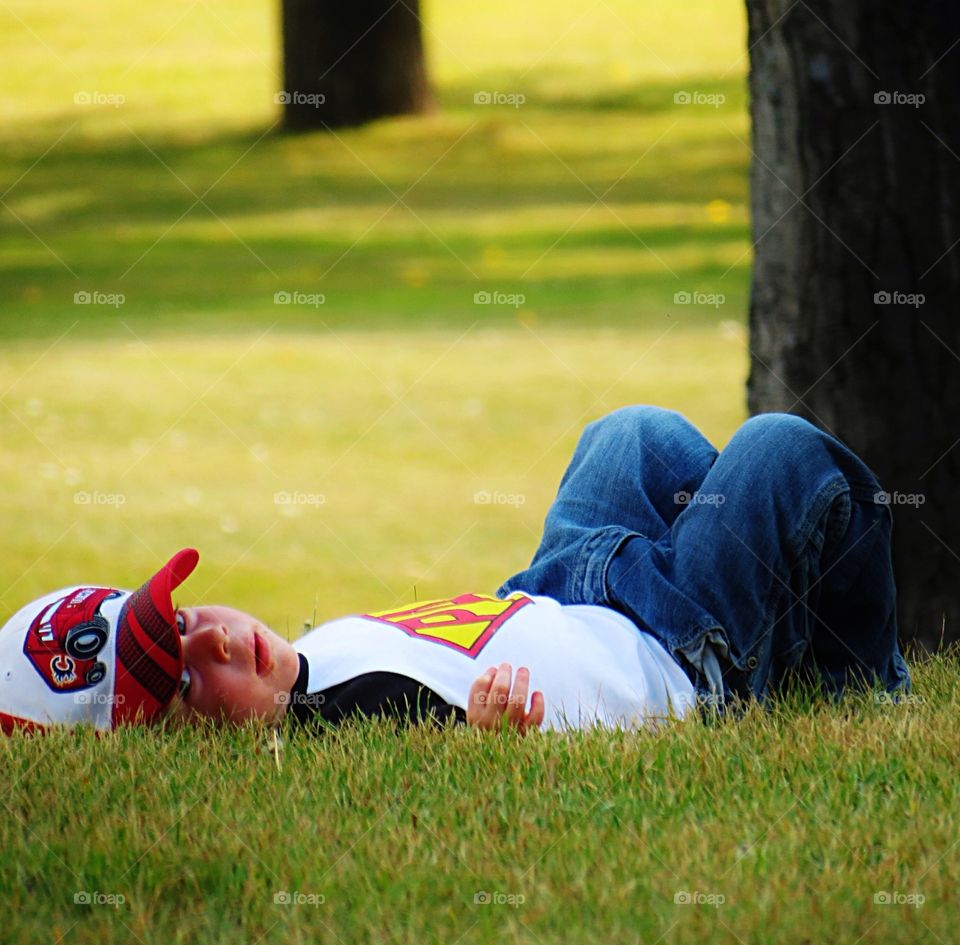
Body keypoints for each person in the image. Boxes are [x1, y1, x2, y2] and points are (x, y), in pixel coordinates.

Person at [0, 405, 911, 736]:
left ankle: (770, 600)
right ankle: (855, 685)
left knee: (631, 436)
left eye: (184, 620)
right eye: (190, 683)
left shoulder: (308, 659)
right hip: (673, 654)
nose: (212, 638)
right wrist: (488, 733)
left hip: (562, 585)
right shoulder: (333, 729)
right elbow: (424, 718)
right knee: (779, 453)